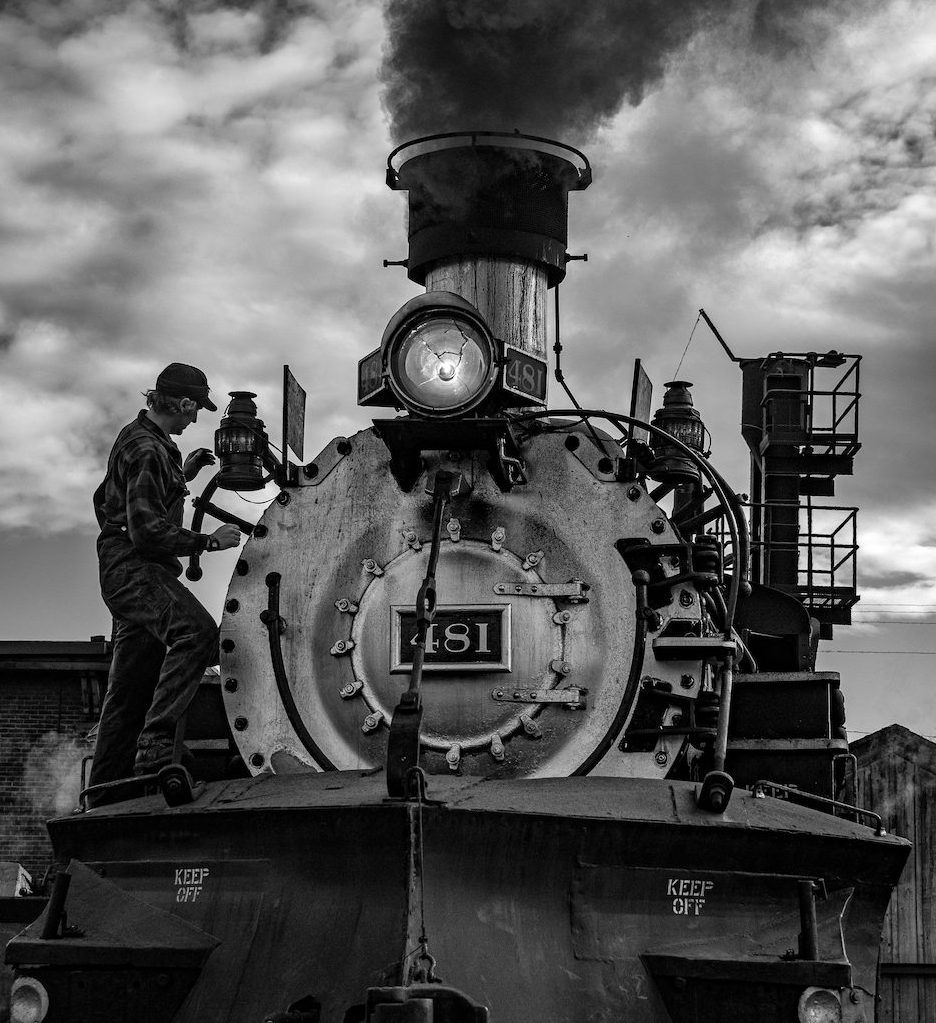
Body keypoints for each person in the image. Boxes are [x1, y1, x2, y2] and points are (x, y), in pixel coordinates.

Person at [88, 363, 242, 802]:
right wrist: (208, 541)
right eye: (196, 411)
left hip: (125, 567)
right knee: (196, 634)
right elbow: (147, 531)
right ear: (183, 403)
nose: (196, 420)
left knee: (128, 692)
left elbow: (113, 499)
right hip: (136, 569)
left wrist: (184, 476)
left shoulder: (142, 438)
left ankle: (102, 795)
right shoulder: (149, 450)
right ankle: (156, 747)